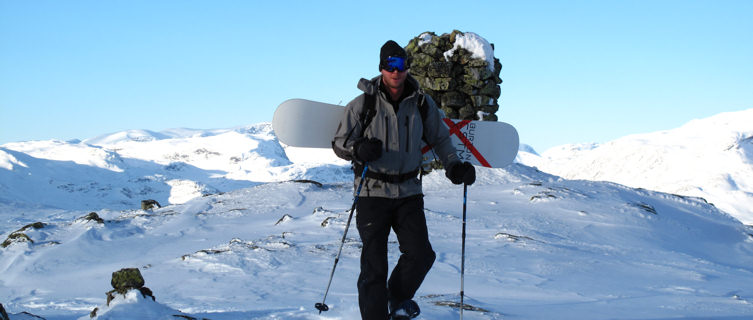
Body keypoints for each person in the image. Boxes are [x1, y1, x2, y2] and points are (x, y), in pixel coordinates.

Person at [332, 40, 476, 320]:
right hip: (372, 193)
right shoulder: (363, 104)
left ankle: (396, 299)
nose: (396, 71)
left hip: (409, 192)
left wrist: (454, 167)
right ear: (381, 68)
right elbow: (339, 144)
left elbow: (440, 138)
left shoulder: (422, 103)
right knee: (374, 266)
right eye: (390, 65)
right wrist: (358, 149)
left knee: (421, 255)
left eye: (400, 64)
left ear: (408, 66)